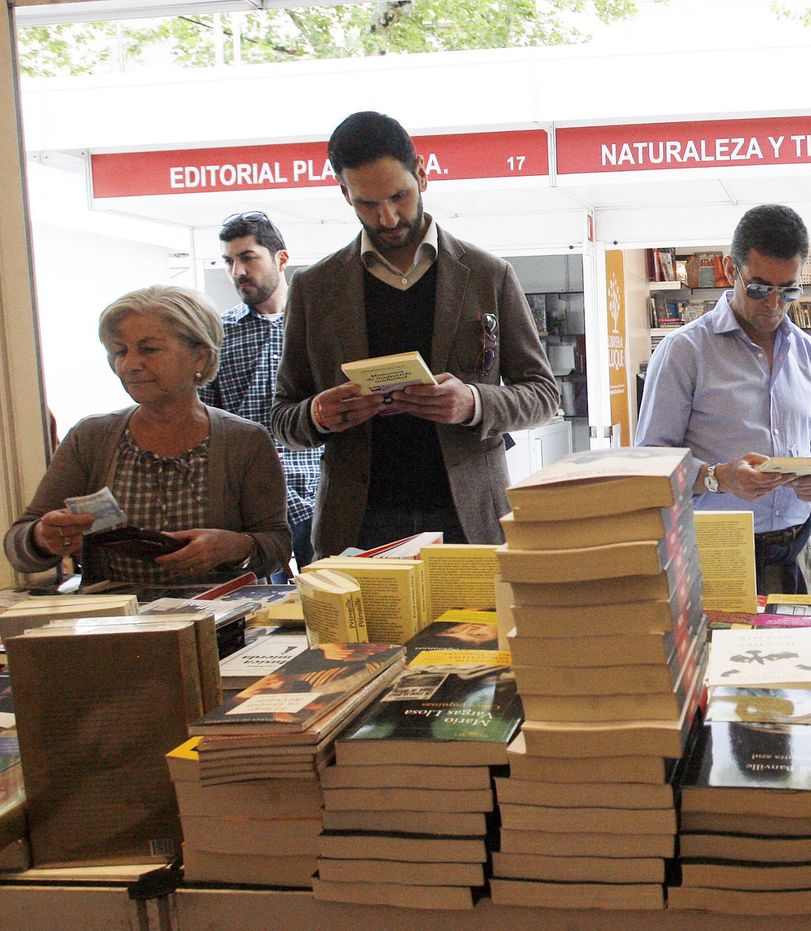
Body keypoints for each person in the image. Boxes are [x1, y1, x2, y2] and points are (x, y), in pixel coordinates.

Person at [271, 111, 558, 556]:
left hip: (469, 516)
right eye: (368, 203)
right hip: (357, 521)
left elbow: (542, 394)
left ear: (422, 174)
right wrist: (318, 414)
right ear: (344, 194)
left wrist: (474, 402)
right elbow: (283, 417)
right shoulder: (315, 288)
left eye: (398, 196)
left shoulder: (487, 275)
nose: (387, 218)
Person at [6, 286, 290, 584]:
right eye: (119, 351)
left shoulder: (245, 440)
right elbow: (18, 546)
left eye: (149, 349)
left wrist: (234, 547)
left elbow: (277, 544)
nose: (129, 364)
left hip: (223, 622)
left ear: (201, 358)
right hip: (118, 623)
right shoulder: (90, 437)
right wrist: (42, 537)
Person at [636, 203, 811, 594]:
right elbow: (650, 462)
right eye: (759, 288)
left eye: (788, 291)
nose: (773, 304)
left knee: (798, 652)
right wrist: (717, 478)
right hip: (717, 551)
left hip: (798, 549)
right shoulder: (684, 352)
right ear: (731, 270)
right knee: (716, 654)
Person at [203, 210, 320, 572]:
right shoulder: (217, 335)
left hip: (319, 494)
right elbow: (207, 421)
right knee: (261, 615)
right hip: (252, 504)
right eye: (229, 261)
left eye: (247, 257)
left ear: (281, 258)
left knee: (334, 602)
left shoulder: (319, 328)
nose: (238, 271)